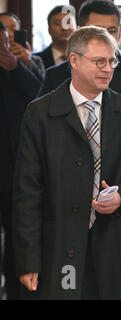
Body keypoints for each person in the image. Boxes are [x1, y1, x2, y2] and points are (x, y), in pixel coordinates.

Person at [12, 26, 121, 300]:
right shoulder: (40, 113)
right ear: (74, 60)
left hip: (110, 243)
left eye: (112, 61)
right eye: (99, 61)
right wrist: (28, 259)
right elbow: (27, 191)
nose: (107, 69)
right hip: (59, 243)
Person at [37, 0, 121, 274]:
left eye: (113, 30)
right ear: (80, 31)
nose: (107, 37)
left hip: (118, 202)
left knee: (113, 280)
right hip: (62, 207)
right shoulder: (56, 76)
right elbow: (39, 146)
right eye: (97, 29)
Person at [0, 21, 41, 300]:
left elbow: (39, 96)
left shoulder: (19, 67)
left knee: (17, 240)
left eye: (5, 39)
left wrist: (17, 67)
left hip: (14, 171)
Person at [0, 12, 45, 81]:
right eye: (4, 29)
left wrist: (27, 62)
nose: (8, 34)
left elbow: (44, 87)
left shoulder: (34, 60)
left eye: (12, 29)